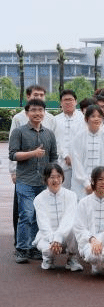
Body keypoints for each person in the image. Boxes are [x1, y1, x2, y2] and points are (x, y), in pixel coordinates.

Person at [9, 98, 58, 263]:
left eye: (40, 110)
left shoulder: (49, 134)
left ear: (44, 112)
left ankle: (34, 248)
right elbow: (13, 155)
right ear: (27, 113)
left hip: (43, 183)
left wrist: (53, 177)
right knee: (26, 214)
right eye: (33, 110)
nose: (37, 113)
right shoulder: (19, 132)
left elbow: (53, 157)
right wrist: (33, 153)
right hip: (25, 181)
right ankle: (22, 249)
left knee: (39, 216)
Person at [33, 163, 83, 271]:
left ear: (63, 177)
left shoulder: (71, 196)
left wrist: (58, 238)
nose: (56, 180)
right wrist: (53, 240)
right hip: (48, 238)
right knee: (47, 248)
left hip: (66, 236)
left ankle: (72, 259)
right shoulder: (39, 199)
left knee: (74, 228)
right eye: (52, 177)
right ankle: (48, 259)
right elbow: (43, 223)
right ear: (46, 179)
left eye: (58, 176)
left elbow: (69, 219)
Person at [70, 105, 104, 199]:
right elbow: (76, 162)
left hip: (102, 184)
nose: (96, 119)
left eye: (99, 116)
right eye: (93, 116)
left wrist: (101, 181)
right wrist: (86, 184)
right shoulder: (78, 138)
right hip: (81, 185)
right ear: (86, 119)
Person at [54, 90, 85, 189]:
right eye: (65, 100)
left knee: (80, 190)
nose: (68, 102)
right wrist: (65, 155)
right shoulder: (55, 120)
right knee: (62, 190)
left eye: (70, 100)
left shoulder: (83, 118)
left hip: (80, 161)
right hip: (61, 162)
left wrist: (74, 156)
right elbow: (55, 141)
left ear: (75, 101)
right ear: (61, 103)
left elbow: (84, 139)